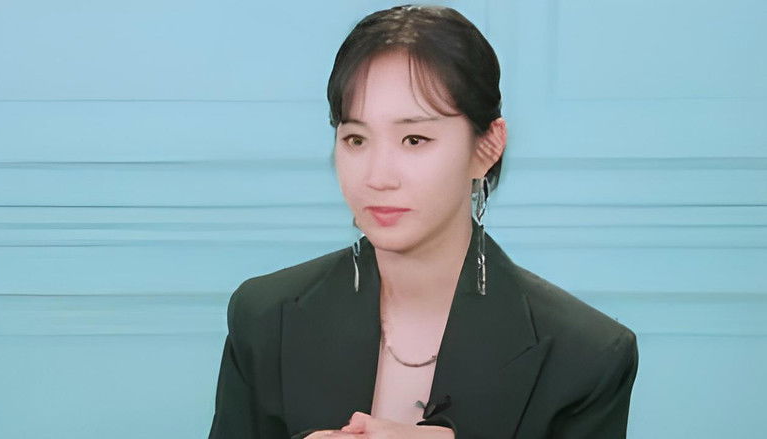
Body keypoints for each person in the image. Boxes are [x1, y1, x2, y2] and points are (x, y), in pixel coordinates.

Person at [208, 4, 639, 438]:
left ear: (487, 148)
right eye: (355, 139)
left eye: (414, 139)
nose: (377, 177)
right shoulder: (264, 318)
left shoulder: (587, 357)